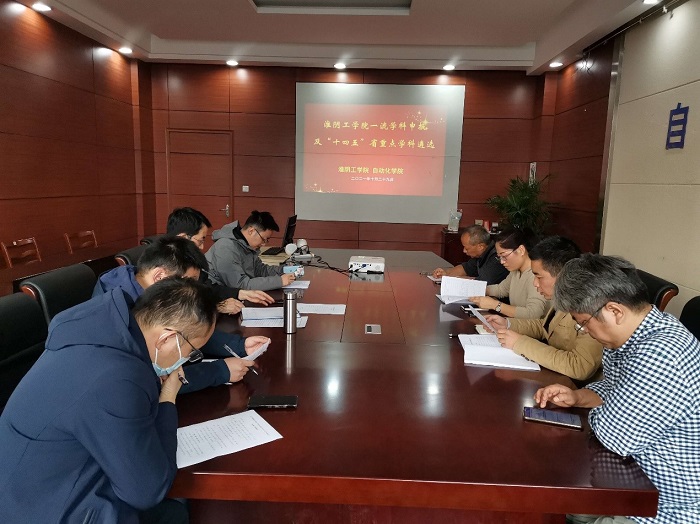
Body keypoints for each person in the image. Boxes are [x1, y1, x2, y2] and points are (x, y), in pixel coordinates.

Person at [0, 277, 218, 524]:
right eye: (191, 351)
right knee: (173, 513)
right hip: (39, 508)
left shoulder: (100, 331)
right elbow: (147, 491)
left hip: (36, 482)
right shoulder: (117, 377)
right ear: (167, 339)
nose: (186, 359)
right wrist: (168, 398)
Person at [535, 255, 700, 524]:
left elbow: (615, 436)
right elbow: (611, 388)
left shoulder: (661, 354)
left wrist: (607, 408)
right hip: (628, 477)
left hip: (664, 506)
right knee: (553, 502)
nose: (584, 331)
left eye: (583, 322)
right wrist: (578, 397)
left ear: (614, 311)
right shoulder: (627, 338)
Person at [94, 236, 266, 390]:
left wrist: (239, 345)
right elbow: (151, 382)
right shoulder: (120, 315)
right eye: (187, 282)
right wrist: (220, 371)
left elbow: (188, 329)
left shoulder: (140, 283)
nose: (191, 290)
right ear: (159, 276)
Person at [484, 236, 602, 381]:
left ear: (563, 275)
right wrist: (507, 324)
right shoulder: (562, 298)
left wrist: (520, 343)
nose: (535, 283)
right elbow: (545, 327)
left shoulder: (590, 308)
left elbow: (580, 366)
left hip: (573, 386)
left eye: (539, 277)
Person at [166, 207, 274, 311]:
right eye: (200, 240)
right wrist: (218, 307)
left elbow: (208, 288)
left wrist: (239, 293)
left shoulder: (190, 260)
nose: (202, 247)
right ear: (183, 238)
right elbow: (175, 307)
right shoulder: (165, 265)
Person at [205, 210, 296, 291]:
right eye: (264, 239)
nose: (264, 244)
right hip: (215, 296)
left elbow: (261, 270)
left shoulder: (247, 246)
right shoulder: (225, 247)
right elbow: (240, 285)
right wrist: (280, 281)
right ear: (251, 231)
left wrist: (285, 269)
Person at [468, 228, 548, 318]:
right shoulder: (516, 271)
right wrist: (475, 289)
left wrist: (495, 305)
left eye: (504, 256)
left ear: (521, 250)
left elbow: (533, 313)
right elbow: (501, 289)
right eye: (499, 257)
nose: (502, 262)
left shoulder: (536, 276)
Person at [432, 224, 508, 285]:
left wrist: (457, 279)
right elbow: (465, 268)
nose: (464, 251)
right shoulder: (480, 255)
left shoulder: (496, 258)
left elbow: (482, 283)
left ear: (480, 247)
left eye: (466, 248)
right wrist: (446, 273)